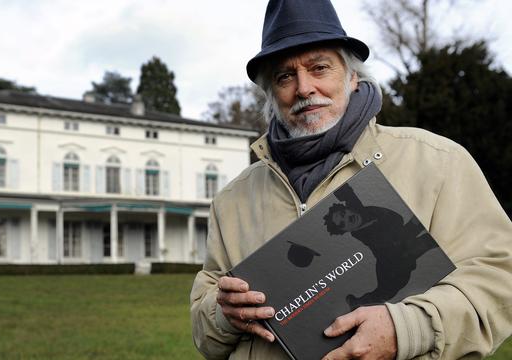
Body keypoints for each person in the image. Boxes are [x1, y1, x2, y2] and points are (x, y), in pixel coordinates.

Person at [189, 0, 512, 359]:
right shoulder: (233, 200)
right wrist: (223, 315)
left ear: (352, 76)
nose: (304, 87)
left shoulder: (437, 162)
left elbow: (500, 278)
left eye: (319, 68)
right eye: (285, 76)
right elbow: (205, 333)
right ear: (271, 94)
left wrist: (409, 328)